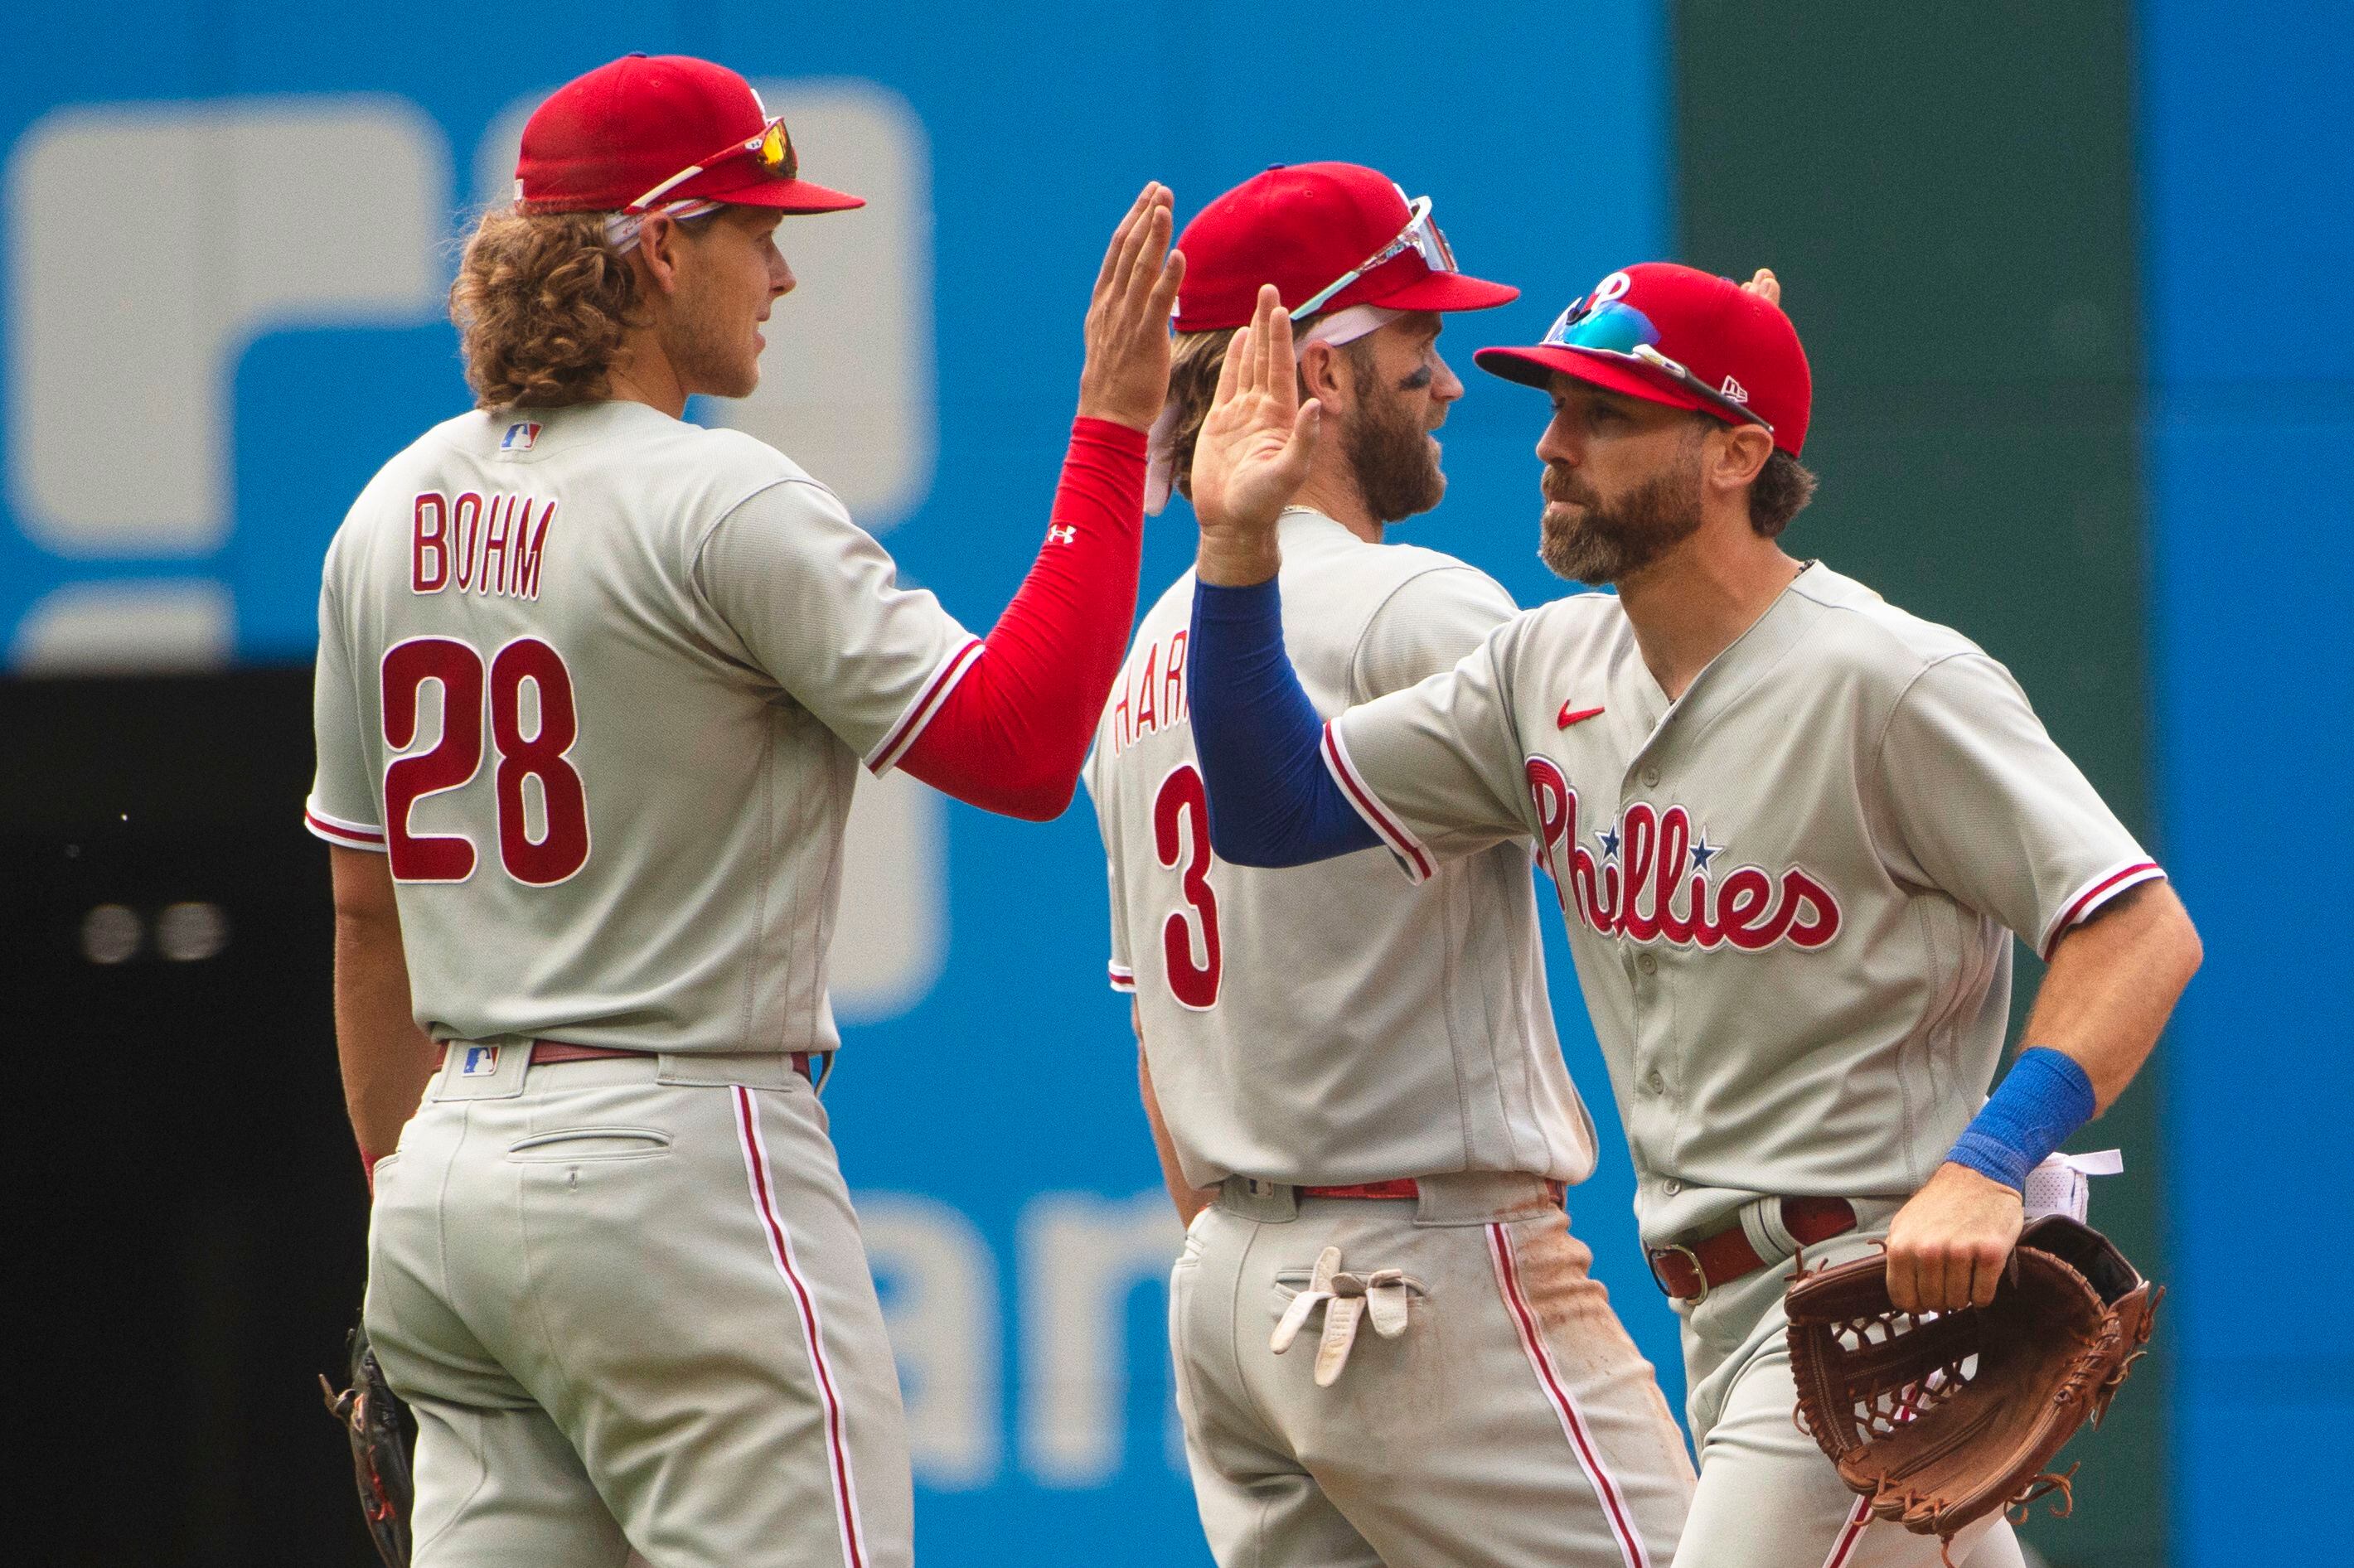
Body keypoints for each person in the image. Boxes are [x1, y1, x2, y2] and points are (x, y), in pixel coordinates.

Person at [1177, 267, 2201, 1567]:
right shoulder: (1543, 670)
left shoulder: (1886, 680)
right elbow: (1273, 810)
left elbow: (2138, 927)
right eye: (1558, 404)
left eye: (1607, 413)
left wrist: (1991, 1161)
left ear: (1737, 451)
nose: (1552, 443)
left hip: (1882, 1292)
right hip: (1721, 1322)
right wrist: (1234, 549)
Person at [303, 53, 1181, 1568]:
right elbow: (1027, 748)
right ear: (657, 246)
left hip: (445, 1178)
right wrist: (1108, 436)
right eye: (752, 229)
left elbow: (364, 915)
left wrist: (406, 1190)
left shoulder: (385, 511)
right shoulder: (718, 499)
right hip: (673, 1158)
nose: (780, 269)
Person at [1083, 163, 1697, 1568]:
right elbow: (1678, 815)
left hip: (1235, 1289)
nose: (1453, 384)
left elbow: (1152, 1042)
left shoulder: (1146, 658)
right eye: (1416, 347)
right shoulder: (1413, 605)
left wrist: (1265, 1243)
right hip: (1424, 1271)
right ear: (1319, 373)